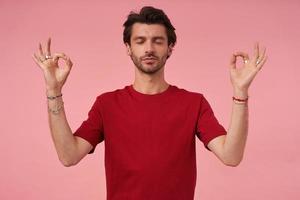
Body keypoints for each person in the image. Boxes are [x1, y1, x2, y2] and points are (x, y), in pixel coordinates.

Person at [32, 6, 267, 200]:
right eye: (140, 40)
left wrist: (240, 91)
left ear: (170, 48)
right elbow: (69, 155)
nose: (149, 48)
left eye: (157, 41)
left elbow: (231, 156)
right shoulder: (107, 104)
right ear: (128, 48)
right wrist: (53, 90)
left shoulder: (193, 103)